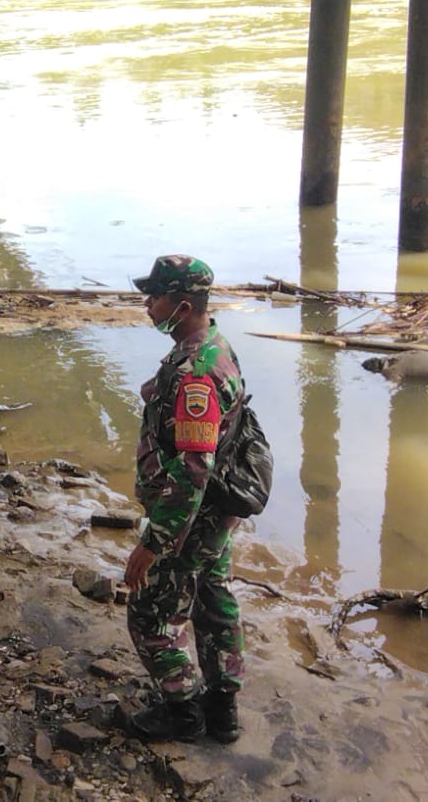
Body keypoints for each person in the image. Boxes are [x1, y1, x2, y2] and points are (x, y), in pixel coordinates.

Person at [122, 255, 246, 744]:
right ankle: (223, 709)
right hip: (216, 512)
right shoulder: (215, 345)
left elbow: (194, 467)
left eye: (155, 298)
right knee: (213, 600)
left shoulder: (196, 372)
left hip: (191, 516)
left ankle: (183, 710)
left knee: (149, 614)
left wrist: (154, 542)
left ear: (184, 305)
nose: (148, 306)